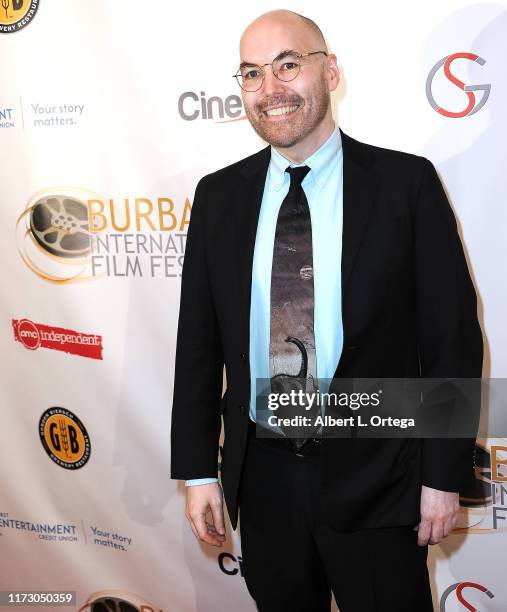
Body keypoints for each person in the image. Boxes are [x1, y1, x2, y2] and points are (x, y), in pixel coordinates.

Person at [170, 9, 483, 611]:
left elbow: (452, 341)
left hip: (380, 479)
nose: (272, 88)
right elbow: (198, 345)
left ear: (330, 70)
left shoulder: (406, 184)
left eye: (289, 63)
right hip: (261, 483)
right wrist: (198, 470)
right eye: (253, 73)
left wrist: (443, 473)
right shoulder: (219, 197)